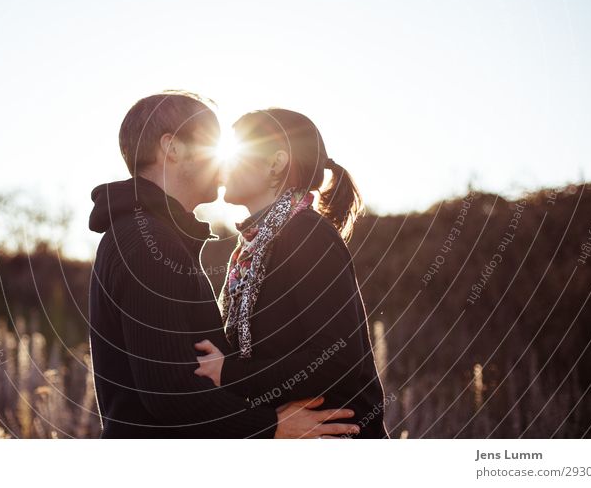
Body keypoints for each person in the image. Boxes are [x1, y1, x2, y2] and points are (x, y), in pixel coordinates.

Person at [88, 92, 361, 438]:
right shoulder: (146, 242)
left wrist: (239, 382)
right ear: (172, 148)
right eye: (210, 142)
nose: (221, 161)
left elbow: (336, 354)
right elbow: (169, 393)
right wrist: (271, 428)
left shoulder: (170, 240)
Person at [193, 108, 390, 438]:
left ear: (276, 163)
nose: (221, 163)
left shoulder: (306, 236)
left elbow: (338, 356)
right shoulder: (250, 249)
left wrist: (231, 373)